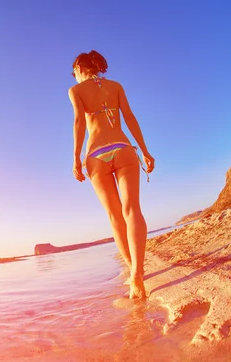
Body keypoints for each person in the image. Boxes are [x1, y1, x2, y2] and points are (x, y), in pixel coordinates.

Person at [68, 50, 154, 299]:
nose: (73, 76)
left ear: (79, 68)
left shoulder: (76, 91)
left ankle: (133, 273)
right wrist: (145, 151)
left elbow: (79, 122)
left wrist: (75, 158)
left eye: (73, 72)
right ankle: (138, 273)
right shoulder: (115, 85)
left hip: (96, 154)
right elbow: (129, 117)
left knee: (115, 216)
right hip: (123, 148)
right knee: (132, 210)